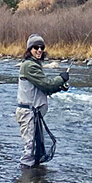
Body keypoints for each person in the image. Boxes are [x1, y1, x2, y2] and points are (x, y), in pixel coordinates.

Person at [16, 33, 68, 169]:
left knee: (36, 150)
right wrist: (61, 79)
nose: (39, 50)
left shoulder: (35, 65)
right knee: (30, 150)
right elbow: (46, 84)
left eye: (41, 47)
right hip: (28, 114)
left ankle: (35, 182)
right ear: (29, 50)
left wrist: (60, 87)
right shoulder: (29, 66)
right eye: (35, 47)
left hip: (35, 114)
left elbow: (44, 89)